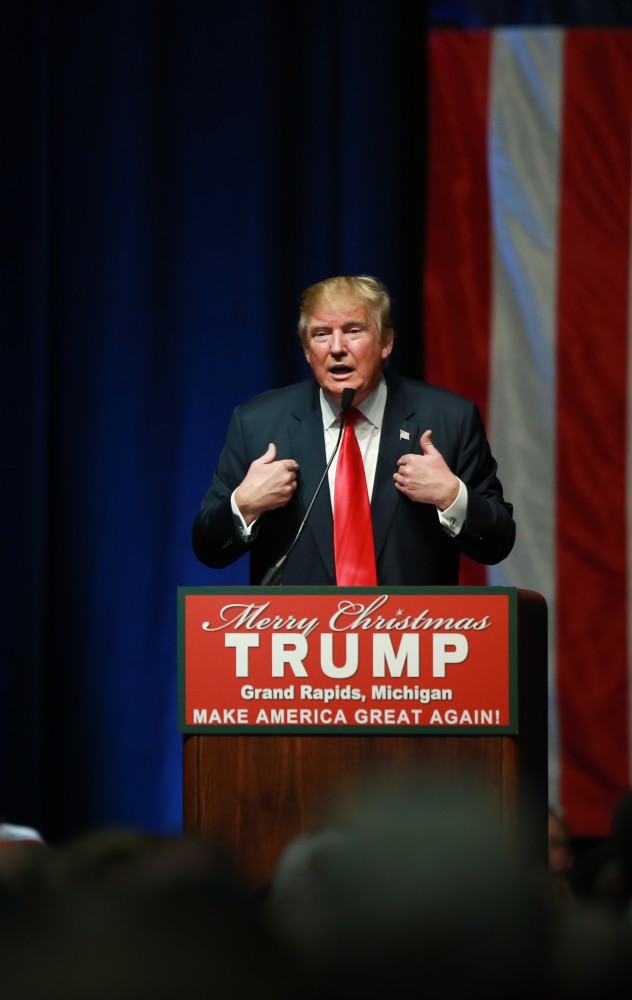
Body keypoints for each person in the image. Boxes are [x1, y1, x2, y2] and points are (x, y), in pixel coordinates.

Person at [192, 275, 515, 585]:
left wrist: (450, 495)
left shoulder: (449, 419)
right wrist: (245, 505)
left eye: (354, 331)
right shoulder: (258, 423)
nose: (336, 347)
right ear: (307, 350)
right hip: (297, 635)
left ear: (386, 342)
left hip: (411, 635)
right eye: (320, 334)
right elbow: (209, 550)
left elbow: (497, 544)